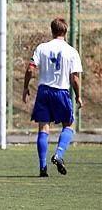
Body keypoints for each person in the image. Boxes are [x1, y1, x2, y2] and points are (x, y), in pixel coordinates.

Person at [22, 18, 83, 177]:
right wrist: (78, 96)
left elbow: (30, 69)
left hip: (43, 92)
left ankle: (43, 168)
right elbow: (74, 78)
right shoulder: (71, 51)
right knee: (68, 125)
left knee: (43, 129)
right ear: (66, 31)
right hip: (61, 92)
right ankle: (59, 154)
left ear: (52, 30)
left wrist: (25, 87)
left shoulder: (42, 48)